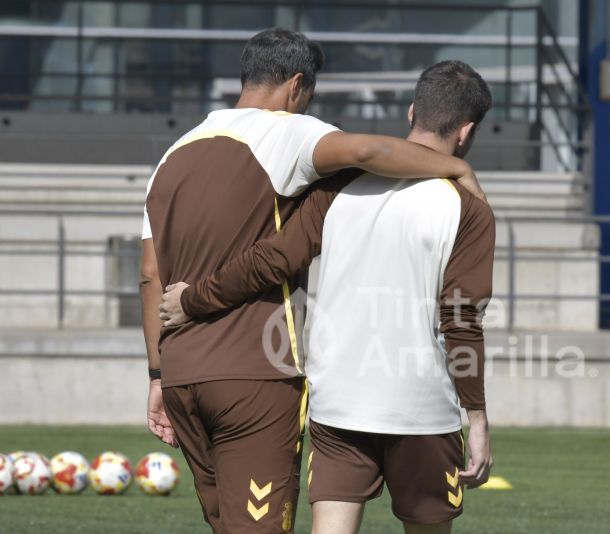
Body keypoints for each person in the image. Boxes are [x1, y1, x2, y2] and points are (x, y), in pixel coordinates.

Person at [138, 29, 485, 534]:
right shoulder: (288, 132)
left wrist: (157, 373)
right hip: (256, 374)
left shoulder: (173, 154)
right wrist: (455, 167)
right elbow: (367, 149)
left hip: (183, 374)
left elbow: (150, 275)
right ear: (297, 85)